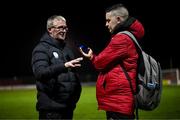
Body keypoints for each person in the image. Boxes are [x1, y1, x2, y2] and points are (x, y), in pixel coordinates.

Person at [80, 3, 145, 120]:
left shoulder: (122, 39)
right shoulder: (129, 36)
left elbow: (99, 63)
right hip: (122, 101)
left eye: (108, 20)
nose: (106, 24)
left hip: (118, 103)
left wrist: (91, 57)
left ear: (118, 19)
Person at [31, 15, 83, 120]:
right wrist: (63, 66)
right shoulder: (41, 49)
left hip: (68, 108)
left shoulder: (67, 49)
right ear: (50, 30)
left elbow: (73, 77)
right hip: (51, 110)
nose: (64, 30)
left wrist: (75, 96)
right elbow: (40, 73)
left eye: (65, 28)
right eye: (60, 28)